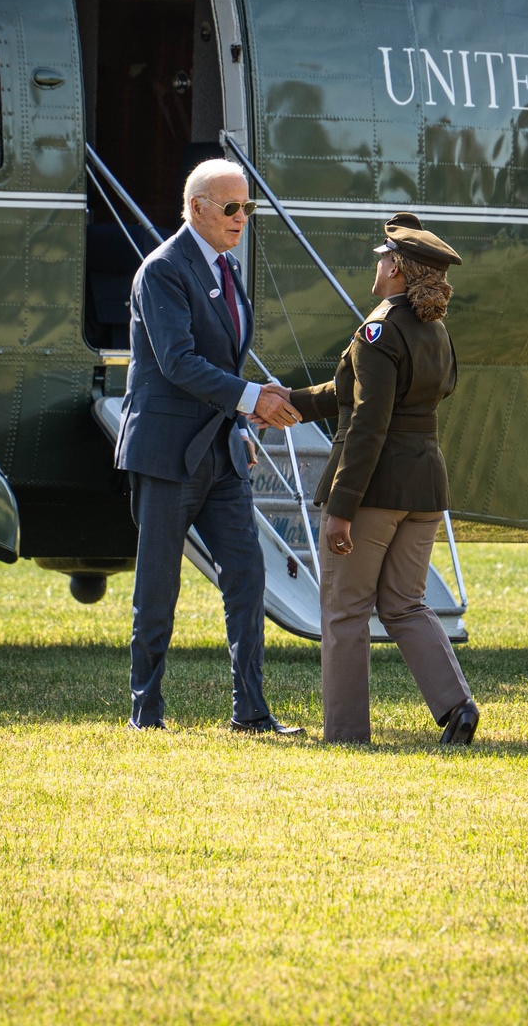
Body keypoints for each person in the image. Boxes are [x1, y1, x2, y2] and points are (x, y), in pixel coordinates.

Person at [114, 158, 304, 734]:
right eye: (231, 207)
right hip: (166, 450)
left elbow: (223, 359)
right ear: (196, 208)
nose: (241, 218)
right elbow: (178, 363)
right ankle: (145, 712)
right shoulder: (162, 270)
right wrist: (252, 400)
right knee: (158, 587)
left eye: (246, 208)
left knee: (246, 574)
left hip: (222, 450)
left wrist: (239, 425)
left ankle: (251, 713)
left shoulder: (227, 269)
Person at [288, 213, 479, 745]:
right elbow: (356, 393)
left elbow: (369, 422)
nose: (376, 262)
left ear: (397, 268)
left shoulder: (377, 330)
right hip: (424, 488)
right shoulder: (434, 330)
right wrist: (293, 403)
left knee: (345, 610)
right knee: (404, 604)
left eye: (382, 256)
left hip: (373, 491)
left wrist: (342, 508)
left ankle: (346, 733)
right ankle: (457, 707)